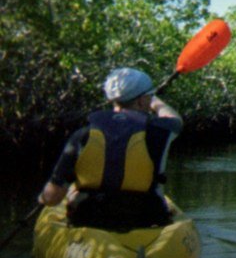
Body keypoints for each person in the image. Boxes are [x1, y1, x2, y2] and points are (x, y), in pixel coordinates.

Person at [39, 67, 184, 231]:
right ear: (142, 101)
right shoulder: (161, 131)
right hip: (146, 221)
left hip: (90, 223)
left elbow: (51, 198)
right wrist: (156, 103)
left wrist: (45, 199)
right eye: (148, 98)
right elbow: (174, 119)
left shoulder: (82, 135)